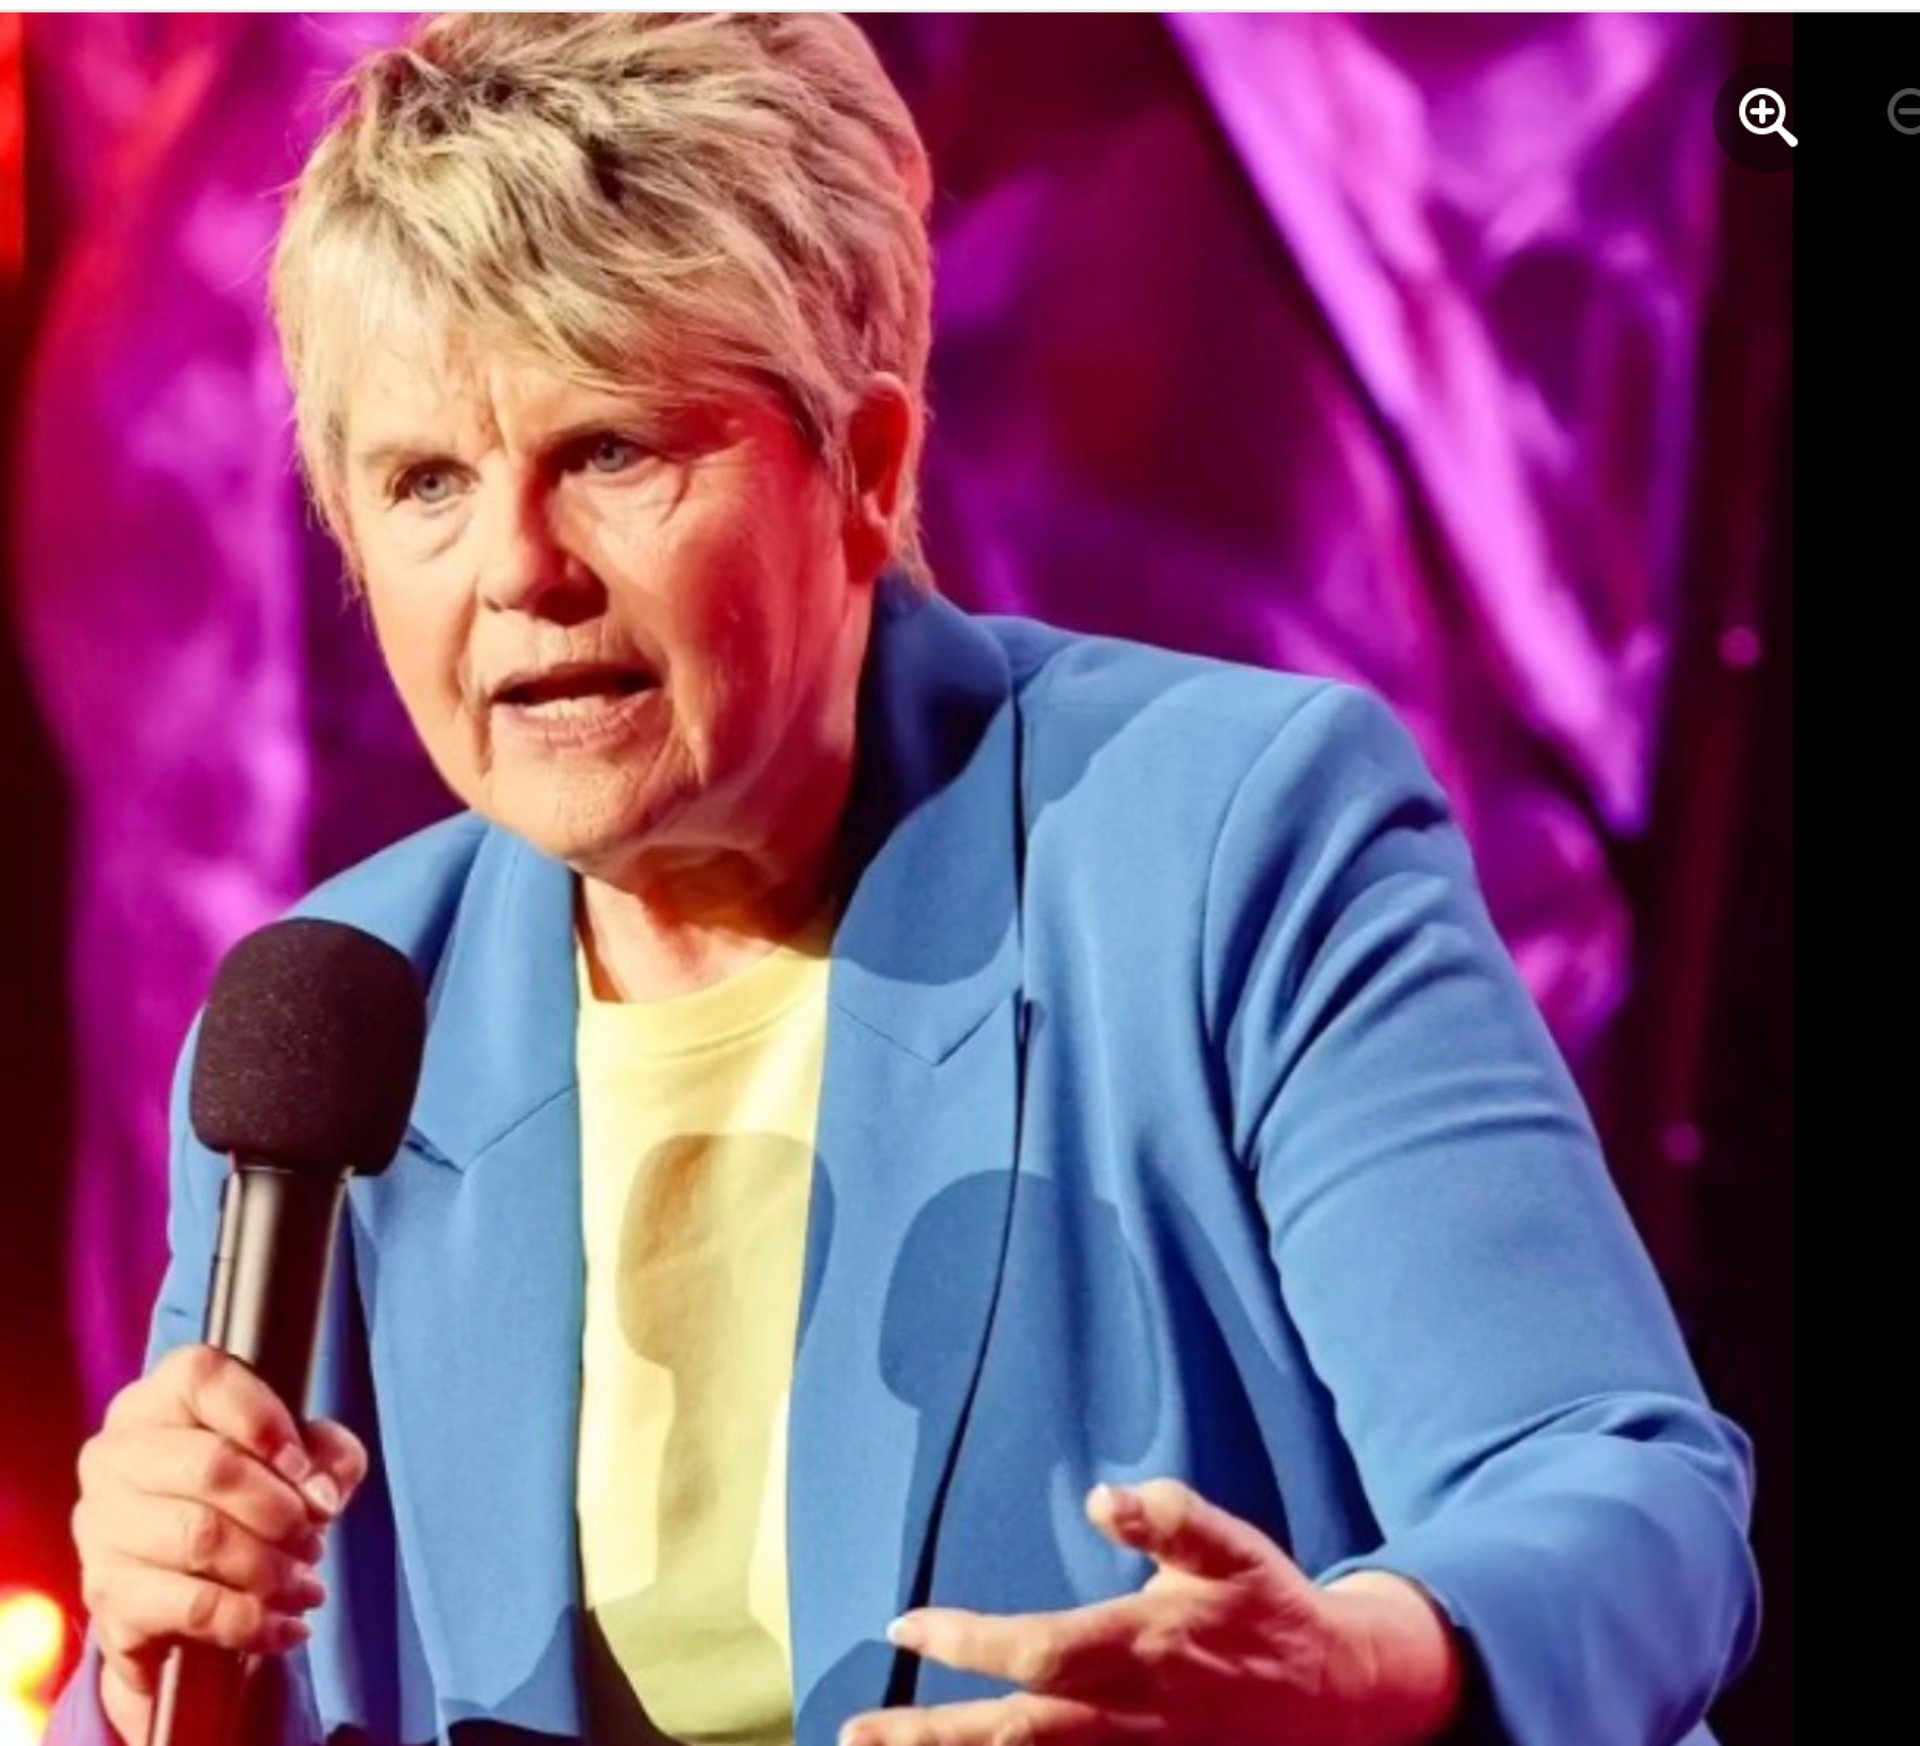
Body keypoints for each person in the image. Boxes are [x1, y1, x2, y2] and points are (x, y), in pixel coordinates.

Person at [50, 14, 1758, 1746]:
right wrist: (145, 1663)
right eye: (427, 481)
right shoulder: (335, 1024)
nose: (519, 569)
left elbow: (1625, 1504)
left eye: (615, 450)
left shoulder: (1228, 843)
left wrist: (1355, 1668)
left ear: (866, 469)